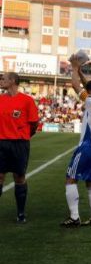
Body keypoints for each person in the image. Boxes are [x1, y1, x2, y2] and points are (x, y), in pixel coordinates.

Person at [61, 55, 91, 227]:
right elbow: (86, 85)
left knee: (70, 178)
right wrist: (81, 72)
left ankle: (74, 217)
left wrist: (74, 68)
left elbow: (75, 86)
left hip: (87, 146)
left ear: (90, 92)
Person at [0, 72, 39, 223]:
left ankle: (21, 214)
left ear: (12, 81)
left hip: (19, 144)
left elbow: (34, 123)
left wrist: (25, 136)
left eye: (3, 78)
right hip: (1, 142)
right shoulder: (1, 99)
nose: (1, 80)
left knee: (19, 177)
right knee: (0, 177)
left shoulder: (27, 101)